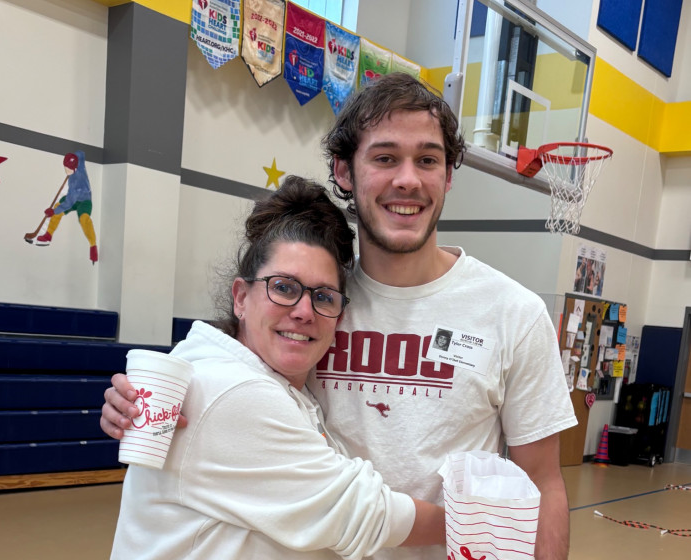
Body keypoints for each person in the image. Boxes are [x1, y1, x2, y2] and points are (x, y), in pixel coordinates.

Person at [102, 73, 577, 560]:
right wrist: (137, 403)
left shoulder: (513, 313)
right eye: (385, 158)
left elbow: (543, 482)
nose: (408, 180)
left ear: (448, 177)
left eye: (428, 160)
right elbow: (227, 370)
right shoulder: (317, 301)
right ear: (345, 171)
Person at [110, 176, 446, 559]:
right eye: (284, 287)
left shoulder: (278, 383)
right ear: (241, 297)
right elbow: (363, 513)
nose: (304, 312)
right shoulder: (234, 391)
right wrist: (477, 522)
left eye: (324, 296)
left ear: (339, 316)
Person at [35, 151, 98, 263]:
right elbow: (81, 154)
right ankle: (48, 235)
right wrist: (74, 156)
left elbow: (69, 203)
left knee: (84, 219)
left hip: (84, 201)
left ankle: (93, 246)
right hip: (73, 198)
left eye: (68, 168)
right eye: (65, 167)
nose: (66, 170)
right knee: (58, 205)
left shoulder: (76, 184)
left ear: (73, 168)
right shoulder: (80, 164)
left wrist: (53, 212)